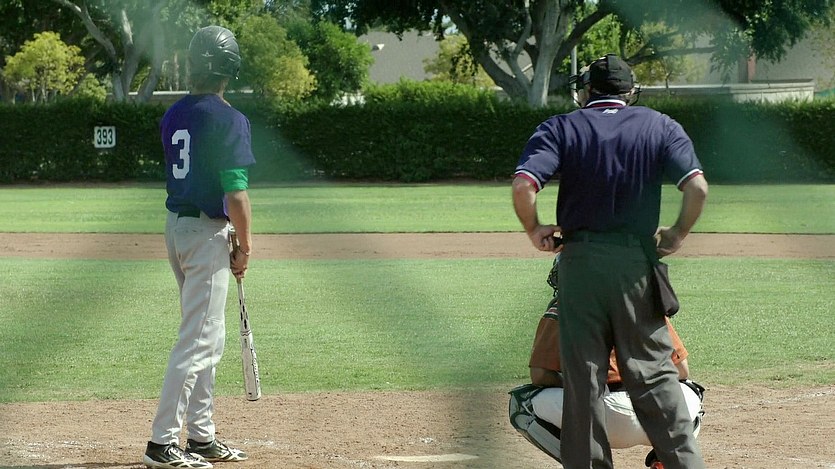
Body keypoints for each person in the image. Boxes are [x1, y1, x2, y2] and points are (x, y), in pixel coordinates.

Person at [511, 54, 709, 468]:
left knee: (583, 379)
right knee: (655, 374)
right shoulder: (660, 125)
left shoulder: (561, 126)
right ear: (631, 91)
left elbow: (524, 185)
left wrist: (534, 228)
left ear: (586, 90)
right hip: (636, 261)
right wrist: (677, 233)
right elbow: (697, 188)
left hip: (580, 261)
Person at [143, 25, 255, 469]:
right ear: (231, 68)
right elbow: (236, 194)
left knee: (208, 334)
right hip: (206, 233)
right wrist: (245, 245)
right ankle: (161, 442)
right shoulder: (229, 118)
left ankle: (202, 436)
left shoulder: (173, 114)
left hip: (177, 229)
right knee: (198, 340)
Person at [509, 256, 705, 469]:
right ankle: (666, 460)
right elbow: (681, 370)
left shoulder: (562, 309)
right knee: (692, 391)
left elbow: (540, 375)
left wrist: (577, 387)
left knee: (522, 403)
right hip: (658, 416)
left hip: (601, 416)